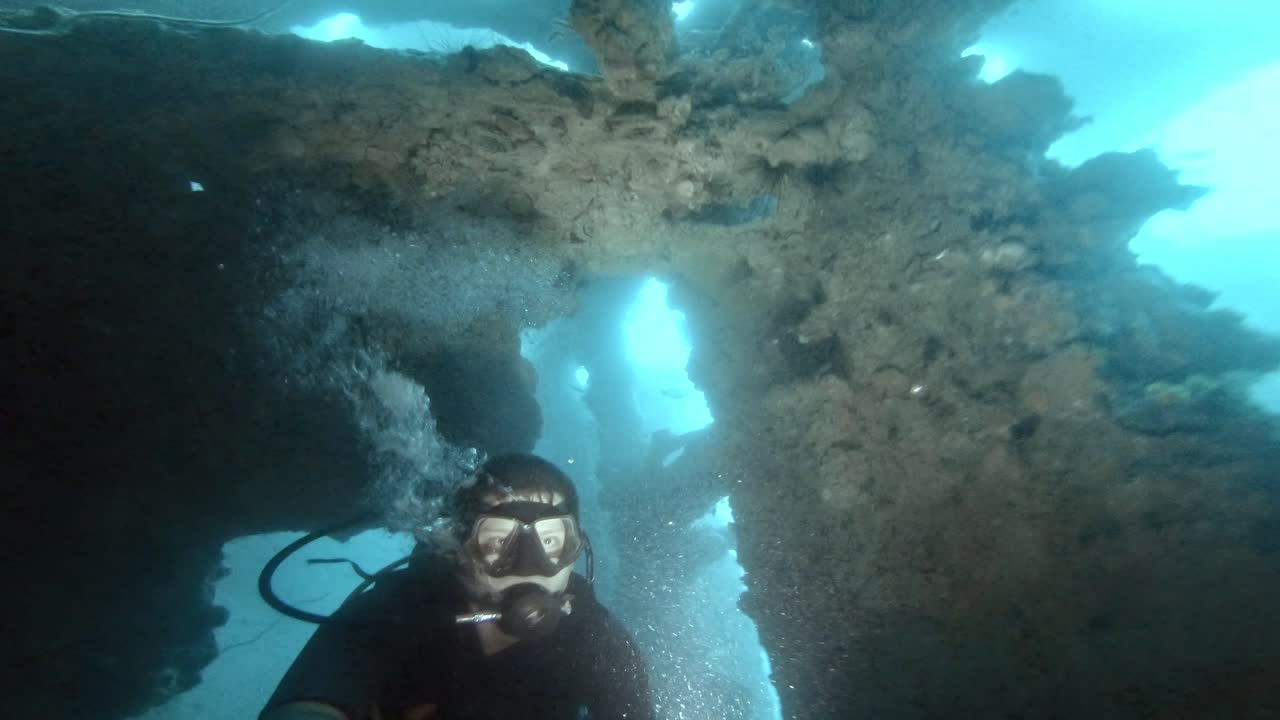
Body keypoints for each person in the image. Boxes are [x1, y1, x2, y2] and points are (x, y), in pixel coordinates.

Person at [260, 453, 654, 720]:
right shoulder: (395, 610)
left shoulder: (594, 638)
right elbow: (311, 702)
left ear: (577, 549)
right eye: (499, 542)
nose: (528, 566)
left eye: (551, 541)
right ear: (458, 549)